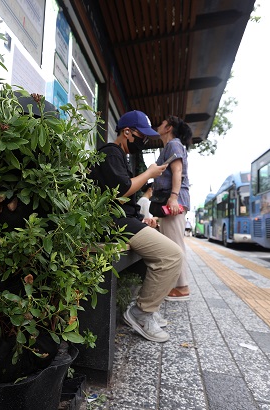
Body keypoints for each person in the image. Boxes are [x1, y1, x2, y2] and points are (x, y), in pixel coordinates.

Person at [89, 110, 183, 343]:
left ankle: (147, 307)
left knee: (163, 252)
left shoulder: (121, 157)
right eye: (141, 136)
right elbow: (122, 190)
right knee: (172, 255)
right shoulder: (110, 152)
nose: (144, 141)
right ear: (127, 132)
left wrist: (141, 219)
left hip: (122, 221)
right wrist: (149, 173)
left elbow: (121, 200)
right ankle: (141, 313)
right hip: (112, 223)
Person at [153, 115, 193, 301]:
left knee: (175, 244)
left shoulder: (174, 145)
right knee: (173, 243)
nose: (158, 125)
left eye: (161, 123)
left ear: (168, 127)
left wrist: (173, 198)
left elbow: (177, 172)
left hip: (173, 201)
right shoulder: (170, 146)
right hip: (171, 200)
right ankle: (178, 285)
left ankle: (182, 287)